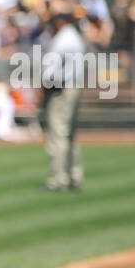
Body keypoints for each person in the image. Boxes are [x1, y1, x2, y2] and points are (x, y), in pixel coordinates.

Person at [42, 11, 85, 191]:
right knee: (69, 134)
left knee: (59, 133)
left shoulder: (63, 39)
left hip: (61, 89)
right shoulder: (75, 37)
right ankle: (74, 175)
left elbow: (50, 72)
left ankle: (59, 178)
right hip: (74, 86)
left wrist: (42, 88)